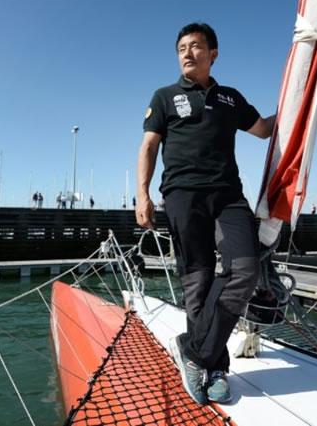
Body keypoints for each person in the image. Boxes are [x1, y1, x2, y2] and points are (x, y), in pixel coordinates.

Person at [135, 23, 277, 405]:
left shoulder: (230, 98)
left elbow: (264, 129)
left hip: (228, 196)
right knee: (197, 282)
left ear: (213, 54)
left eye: (195, 45)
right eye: (181, 47)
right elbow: (148, 147)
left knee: (245, 270)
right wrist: (142, 195)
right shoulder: (165, 97)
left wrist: (303, 104)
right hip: (182, 195)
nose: (187, 52)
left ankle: (192, 351)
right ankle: (215, 368)